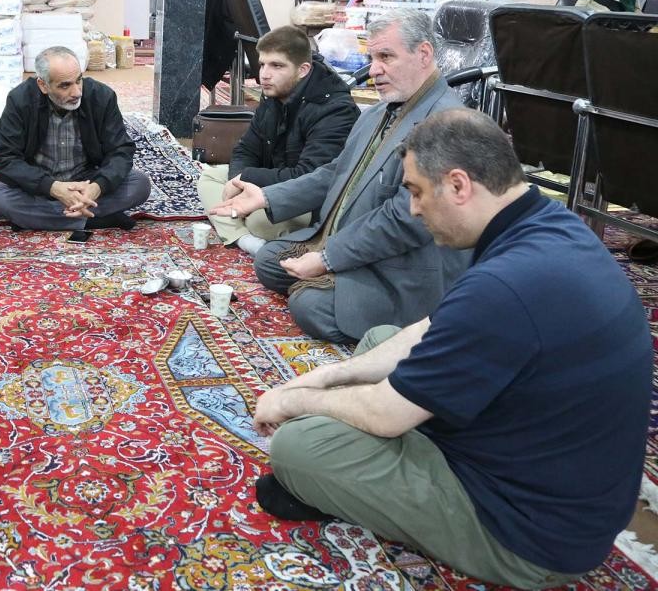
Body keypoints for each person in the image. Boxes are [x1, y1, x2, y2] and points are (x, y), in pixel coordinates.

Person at [252, 108, 650, 589]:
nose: (414, 210)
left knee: (299, 447)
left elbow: (384, 416)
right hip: (554, 475)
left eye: (417, 191)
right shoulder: (545, 223)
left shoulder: (505, 286)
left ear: (459, 185)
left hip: (529, 536)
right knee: (381, 340)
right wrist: (326, 376)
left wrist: (292, 400)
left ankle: (342, 486)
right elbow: (432, 326)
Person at [210, 9, 467, 344]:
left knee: (307, 304)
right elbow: (335, 172)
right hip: (345, 238)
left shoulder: (447, 123)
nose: (373, 70)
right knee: (270, 261)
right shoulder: (379, 111)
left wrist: (328, 258)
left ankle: (404, 329)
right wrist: (267, 197)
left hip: (400, 265)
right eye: (372, 58)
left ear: (424, 54)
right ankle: (330, 280)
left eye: (386, 57)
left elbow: (404, 221)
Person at [197, 26, 358, 255]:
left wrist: (249, 179)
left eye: (277, 66)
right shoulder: (275, 93)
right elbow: (246, 149)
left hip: (308, 199)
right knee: (210, 177)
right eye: (262, 64)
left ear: (303, 70)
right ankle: (245, 240)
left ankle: (251, 231)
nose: (264, 74)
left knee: (260, 220)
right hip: (273, 180)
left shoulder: (334, 110)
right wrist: (239, 183)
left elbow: (310, 177)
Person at [0, 46, 151, 232]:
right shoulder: (20, 100)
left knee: (139, 184)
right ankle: (93, 220)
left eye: (79, 80)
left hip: (86, 183)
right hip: (38, 185)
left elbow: (121, 151)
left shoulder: (101, 96)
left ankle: (37, 218)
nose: (77, 92)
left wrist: (97, 187)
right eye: (65, 85)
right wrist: (53, 188)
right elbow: (4, 160)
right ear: (43, 85)